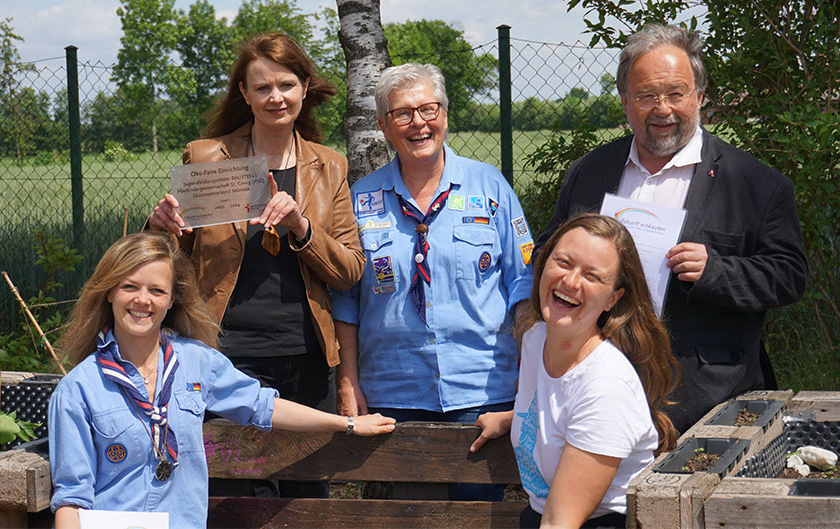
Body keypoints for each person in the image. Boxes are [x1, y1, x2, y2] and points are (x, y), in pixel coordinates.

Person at [535, 24, 807, 433]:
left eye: (676, 94)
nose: (662, 108)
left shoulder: (757, 184)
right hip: (595, 386)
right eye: (646, 96)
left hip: (706, 402)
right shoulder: (589, 172)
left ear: (699, 97)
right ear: (625, 102)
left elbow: (789, 276)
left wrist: (715, 271)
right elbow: (546, 254)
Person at [48, 232, 395, 528]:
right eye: (129, 287)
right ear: (109, 292)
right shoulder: (79, 390)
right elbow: (71, 498)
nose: (142, 300)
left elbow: (263, 407)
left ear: (171, 300)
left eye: (156, 290)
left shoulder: (197, 362)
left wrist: (347, 423)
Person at [147, 33, 363, 497]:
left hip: (308, 359)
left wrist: (301, 228)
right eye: (262, 87)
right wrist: (159, 227)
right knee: (238, 497)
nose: (275, 97)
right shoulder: (208, 156)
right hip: (227, 355)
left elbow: (349, 270)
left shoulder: (330, 166)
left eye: (286, 85)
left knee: (307, 498)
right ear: (244, 94)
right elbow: (169, 260)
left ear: (304, 87)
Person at [331, 63, 534, 500]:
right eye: (403, 113)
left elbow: (524, 285)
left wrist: (529, 373)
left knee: (479, 519)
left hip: (482, 391)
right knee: (407, 518)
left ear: (444, 113)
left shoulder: (491, 187)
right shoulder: (361, 199)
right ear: (384, 126)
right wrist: (348, 382)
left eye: (428, 109)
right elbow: (345, 299)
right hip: (394, 394)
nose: (418, 123)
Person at [471, 214, 678, 529]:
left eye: (592, 276)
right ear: (544, 263)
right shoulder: (535, 338)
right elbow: (558, 406)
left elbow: (560, 522)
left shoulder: (606, 386)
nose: (570, 281)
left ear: (613, 298)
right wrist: (512, 417)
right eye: (564, 262)